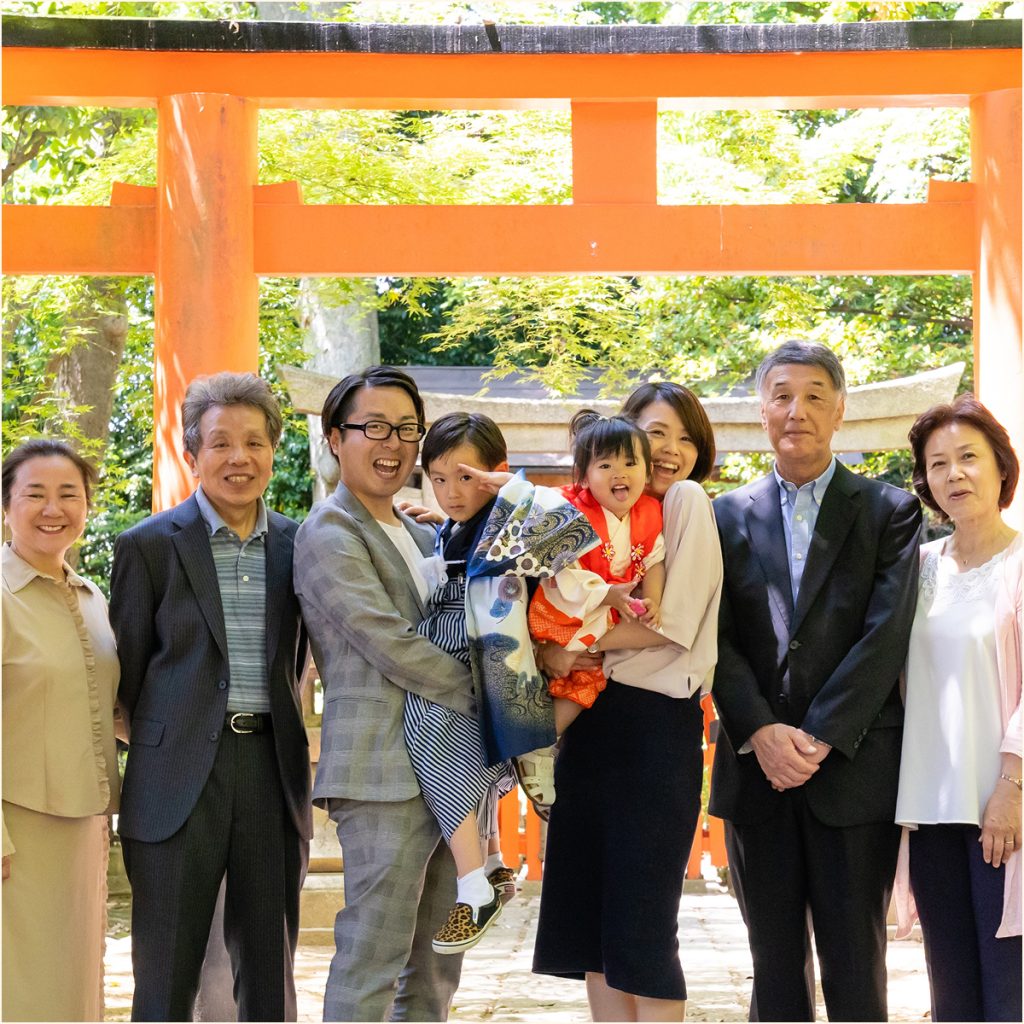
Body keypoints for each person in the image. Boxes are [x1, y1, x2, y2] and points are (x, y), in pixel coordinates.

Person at [709, 340, 922, 1022]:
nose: (795, 411)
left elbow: (885, 637)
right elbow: (713, 636)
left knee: (856, 961)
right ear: (761, 409)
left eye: (813, 396)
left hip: (852, 771)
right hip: (755, 768)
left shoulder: (888, 512)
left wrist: (818, 736)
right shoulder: (722, 515)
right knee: (773, 964)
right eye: (781, 395)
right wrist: (761, 730)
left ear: (839, 409)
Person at [109, 372, 311, 1022]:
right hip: (173, 781)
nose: (239, 458)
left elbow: (301, 658)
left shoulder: (300, 545)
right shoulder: (147, 549)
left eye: (254, 442)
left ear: (274, 451)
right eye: (220, 443)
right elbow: (127, 675)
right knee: (165, 977)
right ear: (192, 454)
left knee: (269, 977)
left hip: (270, 774)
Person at [534, 381, 722, 1022]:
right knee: (592, 923)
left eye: (683, 438)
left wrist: (569, 646)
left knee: (642, 926)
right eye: (653, 433)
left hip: (652, 729)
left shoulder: (688, 504)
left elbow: (672, 623)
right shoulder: (597, 516)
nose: (667, 451)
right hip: (592, 725)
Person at [292, 367, 475, 1021]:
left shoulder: (423, 531)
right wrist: (497, 702)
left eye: (405, 428)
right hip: (381, 774)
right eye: (373, 426)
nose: (391, 442)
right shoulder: (328, 533)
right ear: (335, 438)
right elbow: (390, 643)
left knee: (436, 971)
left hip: (451, 772)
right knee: (372, 959)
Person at [407, 411, 598, 955]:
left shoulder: (512, 519)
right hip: (463, 645)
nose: (451, 491)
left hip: (483, 648)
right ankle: (489, 862)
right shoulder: (454, 523)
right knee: (469, 752)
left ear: (496, 472)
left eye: (466, 477)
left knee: (428, 726)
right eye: (439, 479)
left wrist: (513, 491)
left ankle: (474, 881)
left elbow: (574, 530)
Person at [893, 394, 1021, 1022]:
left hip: (1004, 808)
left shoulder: (1022, 565)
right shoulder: (917, 568)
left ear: (1001, 467)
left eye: (968, 458)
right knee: (950, 987)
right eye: (937, 464)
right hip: (929, 807)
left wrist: (1011, 785)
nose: (953, 475)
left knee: (1009, 983)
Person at [2, 439, 119, 1022]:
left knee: (77, 988)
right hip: (16, 832)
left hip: (84, 824)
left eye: (69, 494)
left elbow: (102, 704)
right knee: (23, 988)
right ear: (6, 506)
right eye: (35, 494)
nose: (54, 508)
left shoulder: (91, 595)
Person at [529, 409, 665, 729]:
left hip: (606, 618)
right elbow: (564, 571)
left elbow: (654, 561)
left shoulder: (649, 513)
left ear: (647, 472)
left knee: (584, 683)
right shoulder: (571, 513)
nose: (620, 473)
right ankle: (533, 746)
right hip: (568, 607)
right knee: (545, 675)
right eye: (605, 465)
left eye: (630, 463)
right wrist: (606, 594)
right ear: (584, 476)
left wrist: (654, 601)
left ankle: (544, 746)